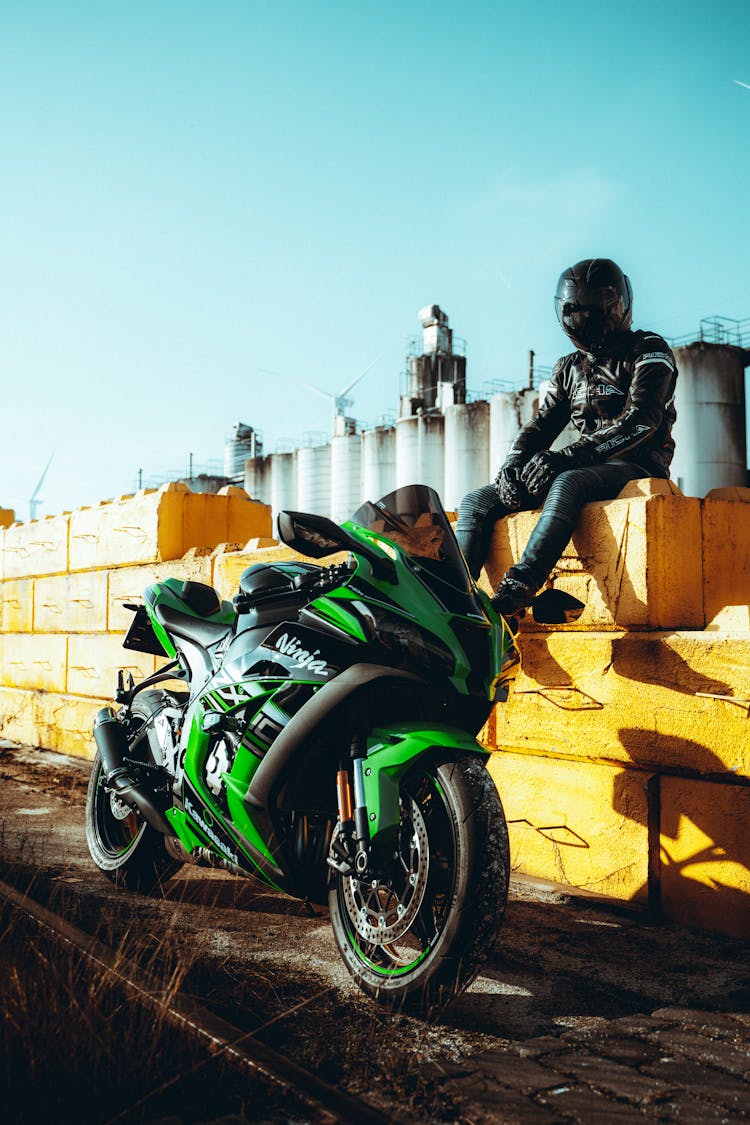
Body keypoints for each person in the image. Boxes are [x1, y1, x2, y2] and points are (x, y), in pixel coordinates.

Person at [455, 258, 677, 619]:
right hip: (583, 464)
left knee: (567, 483)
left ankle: (520, 586)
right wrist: (511, 467)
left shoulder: (650, 350)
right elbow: (542, 425)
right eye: (579, 312)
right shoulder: (569, 367)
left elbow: (642, 420)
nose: (588, 321)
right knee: (476, 502)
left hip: (636, 464)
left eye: (597, 310)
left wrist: (567, 457)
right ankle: (456, 598)